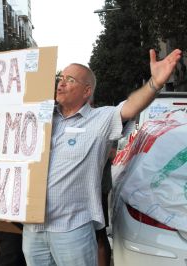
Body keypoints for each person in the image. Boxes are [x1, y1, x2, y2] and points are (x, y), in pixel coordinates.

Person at [22, 48, 182, 266]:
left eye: (70, 80)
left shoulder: (101, 119)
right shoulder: (41, 118)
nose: (61, 84)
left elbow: (131, 106)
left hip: (72, 231)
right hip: (33, 231)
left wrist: (155, 83)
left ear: (86, 91)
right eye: (60, 78)